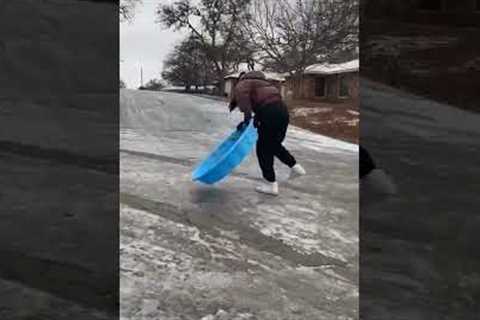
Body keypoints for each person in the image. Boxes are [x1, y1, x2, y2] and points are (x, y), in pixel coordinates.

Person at [228, 71, 306, 196]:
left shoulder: (243, 83)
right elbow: (268, 102)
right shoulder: (265, 83)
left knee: (263, 148)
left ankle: (271, 184)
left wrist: (246, 120)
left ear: (241, 78)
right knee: (273, 144)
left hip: (269, 113)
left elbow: (244, 101)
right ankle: (295, 167)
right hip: (283, 112)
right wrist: (256, 119)